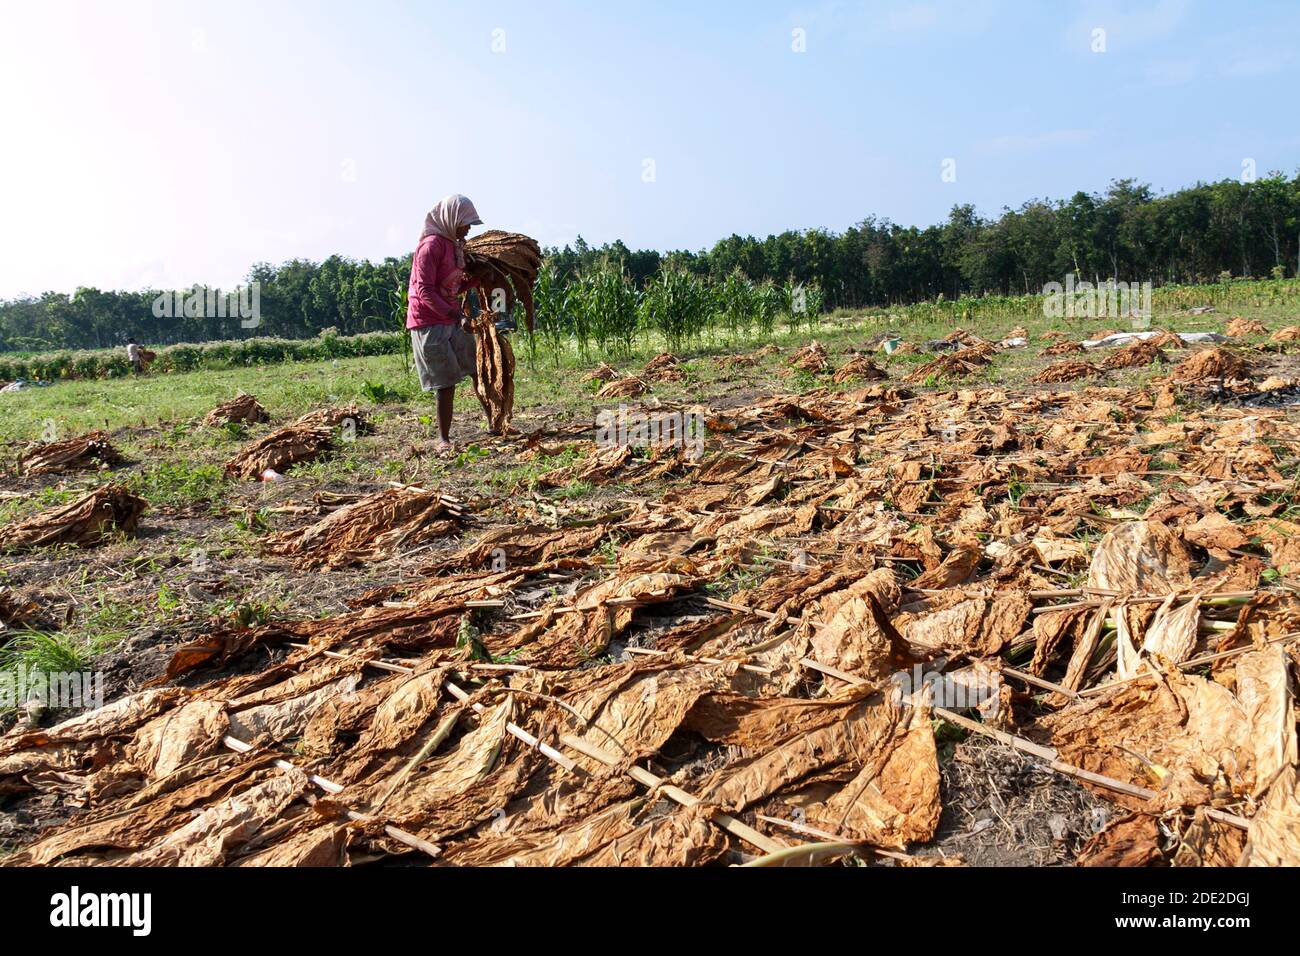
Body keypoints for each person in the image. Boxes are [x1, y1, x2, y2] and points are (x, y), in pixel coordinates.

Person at [407, 194, 482, 454]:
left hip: (450, 316)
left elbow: (452, 286)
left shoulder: (453, 246)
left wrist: (477, 279)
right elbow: (425, 291)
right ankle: (443, 439)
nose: (469, 228)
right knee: (445, 382)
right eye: (466, 222)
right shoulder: (430, 247)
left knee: (476, 366)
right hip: (429, 321)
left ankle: (496, 423)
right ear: (451, 219)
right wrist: (457, 316)